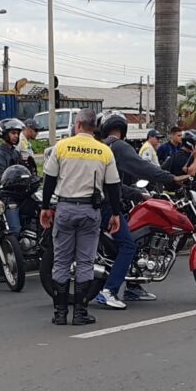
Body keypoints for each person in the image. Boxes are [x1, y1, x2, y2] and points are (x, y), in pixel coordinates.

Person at [93, 111, 189, 310]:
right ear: (123, 128)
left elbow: (113, 184)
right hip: (107, 207)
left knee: (138, 237)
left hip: (100, 202)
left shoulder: (102, 147)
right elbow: (141, 167)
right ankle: (109, 291)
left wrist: (140, 195)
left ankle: (133, 286)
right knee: (128, 245)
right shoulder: (117, 146)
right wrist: (169, 178)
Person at [40, 109, 122, 326]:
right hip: (89, 211)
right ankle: (80, 313)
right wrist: (115, 213)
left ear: (77, 125)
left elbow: (49, 180)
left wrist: (45, 207)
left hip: (65, 208)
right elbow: (114, 186)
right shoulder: (104, 151)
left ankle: (59, 313)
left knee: (61, 261)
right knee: (85, 261)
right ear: (94, 127)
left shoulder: (62, 147)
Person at [0, 118, 26, 236]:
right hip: (6, 198)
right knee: (14, 230)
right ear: (5, 134)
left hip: (19, 195)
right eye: (13, 133)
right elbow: (2, 178)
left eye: (18, 133)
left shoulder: (15, 153)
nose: (16, 136)